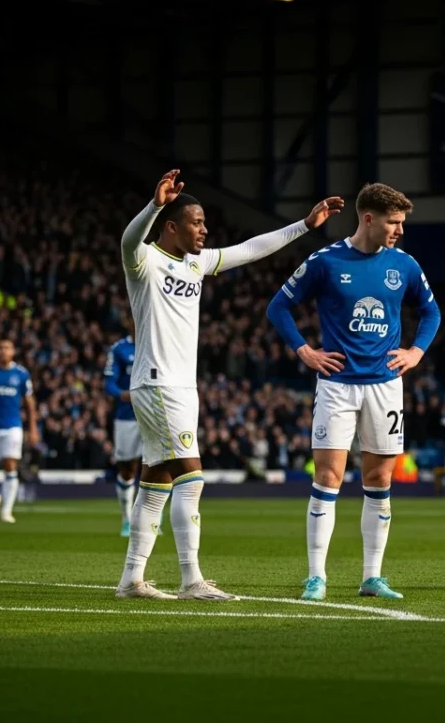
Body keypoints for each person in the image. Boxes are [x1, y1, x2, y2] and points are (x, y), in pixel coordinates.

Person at [115, 169, 343, 601]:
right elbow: (128, 241)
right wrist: (155, 203)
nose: (204, 229)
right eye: (196, 222)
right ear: (172, 226)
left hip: (180, 385)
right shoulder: (145, 261)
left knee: (156, 482)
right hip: (160, 382)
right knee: (192, 477)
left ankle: (131, 580)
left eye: (204, 223)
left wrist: (304, 225)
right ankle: (191, 580)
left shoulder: (197, 264)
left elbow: (249, 250)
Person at [267, 182, 441, 602]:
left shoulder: (405, 265)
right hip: (337, 387)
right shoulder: (326, 262)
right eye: (393, 222)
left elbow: (431, 310)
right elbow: (279, 307)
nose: (399, 230)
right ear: (368, 218)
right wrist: (306, 352)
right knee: (327, 477)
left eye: (402, 222)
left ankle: (371, 577)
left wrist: (416, 352)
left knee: (380, 478)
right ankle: (315, 577)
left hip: (385, 387)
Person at [104, 312, 157, 538]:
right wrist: (123, 394)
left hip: (154, 415)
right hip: (126, 416)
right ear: (127, 321)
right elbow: (109, 384)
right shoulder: (118, 349)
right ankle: (127, 519)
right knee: (127, 469)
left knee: (156, 466)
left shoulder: (157, 344)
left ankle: (151, 518)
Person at [0, 340, 38, 524]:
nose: (4, 351)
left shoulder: (21, 374)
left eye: (7, 348)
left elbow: (29, 403)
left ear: (13, 351)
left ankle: (6, 511)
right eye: (0, 347)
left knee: (11, 465)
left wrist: (33, 428)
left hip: (12, 426)